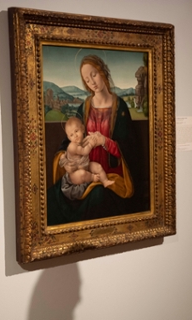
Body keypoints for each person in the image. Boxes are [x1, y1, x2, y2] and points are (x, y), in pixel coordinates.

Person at [47, 55, 141, 225]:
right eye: (87, 79)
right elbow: (70, 139)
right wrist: (63, 157)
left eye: (94, 74)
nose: (92, 82)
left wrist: (104, 141)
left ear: (103, 71)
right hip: (85, 170)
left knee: (98, 197)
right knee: (53, 196)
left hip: (110, 175)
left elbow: (130, 147)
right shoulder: (85, 106)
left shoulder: (120, 106)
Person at [59, 117, 114, 190]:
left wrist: (95, 136)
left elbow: (87, 140)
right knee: (82, 173)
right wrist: (91, 144)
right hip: (75, 174)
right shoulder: (73, 146)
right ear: (69, 138)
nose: (75, 135)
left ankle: (105, 181)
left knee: (98, 167)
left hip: (85, 166)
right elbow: (85, 151)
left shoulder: (81, 141)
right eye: (71, 135)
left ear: (82, 129)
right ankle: (92, 177)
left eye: (76, 131)